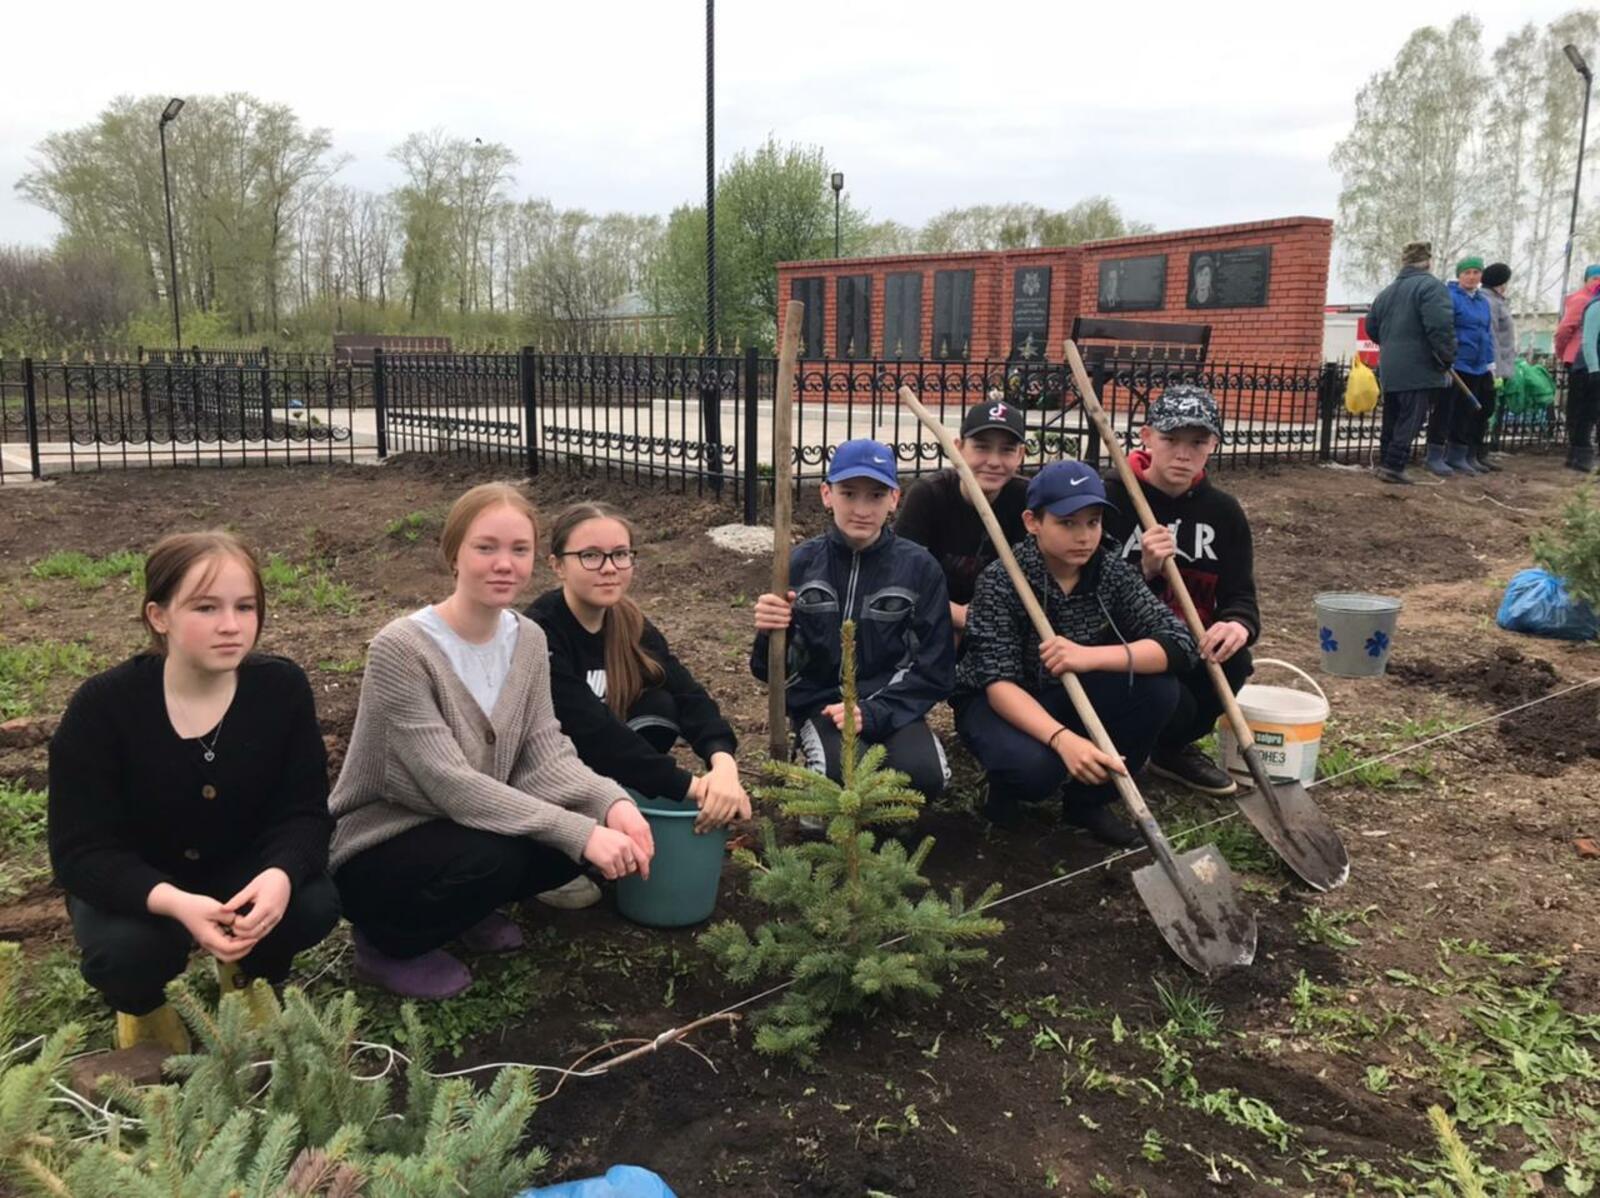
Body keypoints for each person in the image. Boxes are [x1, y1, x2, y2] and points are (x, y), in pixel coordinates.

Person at [329, 483, 654, 1000]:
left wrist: (612, 804)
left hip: (466, 827)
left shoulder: (528, 639)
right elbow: (449, 784)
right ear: (453, 553)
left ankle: (465, 912)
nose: (505, 564)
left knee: (581, 829)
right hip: (384, 842)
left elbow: (545, 752)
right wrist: (578, 830)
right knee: (505, 853)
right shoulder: (403, 649)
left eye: (519, 549)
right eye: (486, 547)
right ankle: (386, 945)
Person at [48, 531, 340, 1054]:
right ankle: (144, 1005)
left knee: (310, 902)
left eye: (245, 606)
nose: (231, 625)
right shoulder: (103, 708)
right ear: (159, 616)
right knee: (126, 950)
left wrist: (279, 874)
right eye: (206, 607)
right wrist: (176, 903)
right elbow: (80, 851)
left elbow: (304, 812)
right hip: (141, 883)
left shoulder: (280, 689)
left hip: (239, 868)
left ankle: (249, 975)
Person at [953, 461, 1198, 846]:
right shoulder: (1003, 579)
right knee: (1036, 771)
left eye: (1093, 522)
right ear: (1033, 522)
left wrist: (1088, 657)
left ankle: (1089, 802)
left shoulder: (1110, 572)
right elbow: (998, 685)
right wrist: (1063, 740)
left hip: (1067, 690)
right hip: (998, 702)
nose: (1084, 536)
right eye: (1067, 523)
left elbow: (1180, 643)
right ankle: (1004, 788)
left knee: (1159, 690)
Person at [751, 438, 955, 802]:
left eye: (876, 495)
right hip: (823, 708)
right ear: (826, 494)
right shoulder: (799, 565)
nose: (861, 509)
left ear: (894, 499)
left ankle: (891, 828)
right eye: (848, 494)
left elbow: (934, 669)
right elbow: (771, 671)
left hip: (894, 707)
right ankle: (819, 815)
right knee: (837, 779)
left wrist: (874, 711)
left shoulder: (920, 569)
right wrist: (770, 634)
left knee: (926, 776)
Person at [526, 501, 749, 828]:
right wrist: (696, 789)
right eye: (590, 555)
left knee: (660, 705)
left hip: (612, 761)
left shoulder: (629, 622)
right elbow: (590, 731)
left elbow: (689, 695)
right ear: (557, 565)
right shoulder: (541, 631)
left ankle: (627, 800)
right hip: (550, 776)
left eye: (620, 554)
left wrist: (724, 765)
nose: (609, 568)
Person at [1101, 386, 1258, 797]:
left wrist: (1238, 624)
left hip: (1192, 642)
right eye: (1171, 439)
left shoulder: (1223, 513)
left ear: (1214, 445)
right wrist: (1145, 569)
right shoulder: (1110, 500)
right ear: (1147, 437)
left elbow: (1242, 596)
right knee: (1169, 698)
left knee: (1235, 661)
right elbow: (1087, 593)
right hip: (1123, 643)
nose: (1183, 454)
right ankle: (1125, 742)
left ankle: (1171, 749)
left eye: (1198, 442)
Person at [895, 393, 1029, 636]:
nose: (994, 461)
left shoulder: (1025, 500)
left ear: (1020, 455)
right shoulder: (929, 495)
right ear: (957, 448)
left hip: (1001, 625)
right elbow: (902, 577)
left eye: (1007, 450)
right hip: (930, 621)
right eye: (981, 447)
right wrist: (962, 616)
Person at [1367, 240, 1457, 485]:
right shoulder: (1431, 287)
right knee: (1411, 419)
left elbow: (1372, 328)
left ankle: (1386, 462)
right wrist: (1447, 356)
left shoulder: (1386, 292)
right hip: (1419, 366)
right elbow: (1440, 326)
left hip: (1391, 366)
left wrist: (1392, 344)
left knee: (1392, 416)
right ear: (1428, 261)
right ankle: (1394, 466)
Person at [1437, 256, 1495, 476]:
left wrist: (1490, 362)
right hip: (1458, 363)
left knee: (1469, 412)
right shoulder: (1451, 297)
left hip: (1478, 364)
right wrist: (1448, 356)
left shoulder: (1482, 302)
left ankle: (1460, 454)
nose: (1471, 277)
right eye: (1467, 272)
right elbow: (1446, 329)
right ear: (1459, 275)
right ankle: (1443, 454)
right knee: (1450, 410)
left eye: (1476, 272)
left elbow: (1486, 333)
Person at [1558, 265, 1600, 472]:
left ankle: (1578, 455)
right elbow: (1588, 340)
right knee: (1585, 413)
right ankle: (1580, 455)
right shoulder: (1595, 306)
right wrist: (1594, 369)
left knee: (1591, 412)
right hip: (1588, 368)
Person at [1480, 262, 1515, 473]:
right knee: (1483, 408)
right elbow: (1492, 335)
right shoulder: (1489, 302)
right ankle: (1475, 451)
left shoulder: (1496, 301)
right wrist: (1494, 368)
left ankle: (1479, 451)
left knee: (1488, 409)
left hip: (1497, 364)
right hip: (1491, 366)